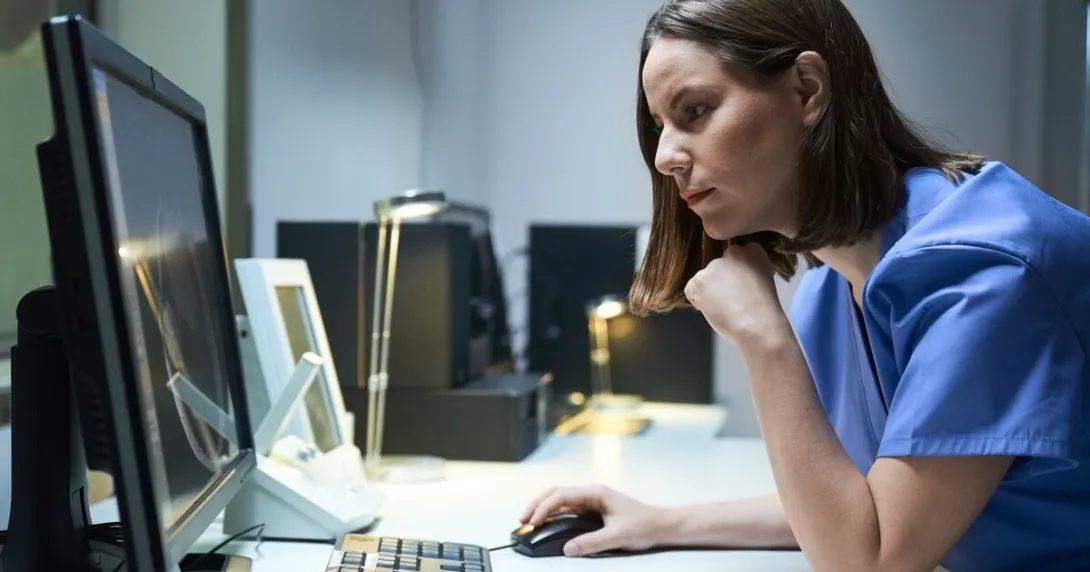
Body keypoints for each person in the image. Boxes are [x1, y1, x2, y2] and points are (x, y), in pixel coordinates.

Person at [519, 1, 1090, 571]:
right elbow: (864, 507)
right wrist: (662, 522)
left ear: (807, 90)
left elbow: (867, 560)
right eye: (660, 125)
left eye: (695, 110)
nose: (666, 156)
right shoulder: (830, 292)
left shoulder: (983, 273)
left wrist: (762, 337)